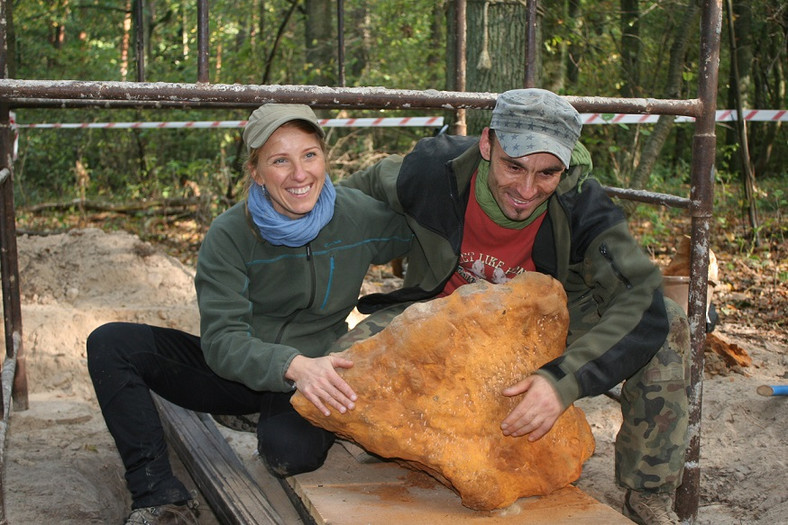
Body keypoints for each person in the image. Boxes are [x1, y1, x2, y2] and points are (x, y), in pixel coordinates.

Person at [339, 88, 690, 525]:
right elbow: (333, 209)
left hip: (538, 329)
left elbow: (645, 301)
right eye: (513, 166)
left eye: (548, 173)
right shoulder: (432, 172)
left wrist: (564, 379)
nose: (526, 189)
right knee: (333, 383)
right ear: (487, 144)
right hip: (437, 315)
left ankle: (649, 491)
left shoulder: (584, 206)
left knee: (669, 325)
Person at [86, 103, 413, 524]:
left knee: (289, 455)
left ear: (324, 158)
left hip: (316, 370)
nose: (300, 174)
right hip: (237, 370)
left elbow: (422, 234)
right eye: (280, 161)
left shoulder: (357, 215)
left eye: (309, 155)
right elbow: (222, 341)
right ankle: (158, 494)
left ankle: (263, 415)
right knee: (111, 343)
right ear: (256, 172)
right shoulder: (230, 234)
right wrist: (290, 364)